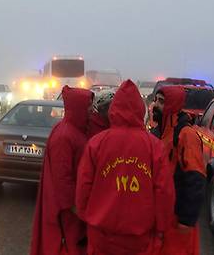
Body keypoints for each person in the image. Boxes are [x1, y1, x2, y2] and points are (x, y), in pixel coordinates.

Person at [75, 80, 174, 255]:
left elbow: (84, 187)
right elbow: (163, 191)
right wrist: (162, 227)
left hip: (101, 237)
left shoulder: (96, 144)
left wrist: (87, 216)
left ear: (114, 109)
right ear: (140, 109)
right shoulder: (154, 147)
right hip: (140, 240)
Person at [30, 86, 94, 255]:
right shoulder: (64, 135)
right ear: (78, 107)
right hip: (66, 213)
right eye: (88, 106)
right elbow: (62, 180)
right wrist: (78, 210)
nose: (91, 110)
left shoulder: (74, 129)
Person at [151, 86, 205, 255]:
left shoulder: (186, 135)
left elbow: (196, 177)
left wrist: (186, 219)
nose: (155, 105)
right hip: (161, 217)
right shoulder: (157, 132)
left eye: (161, 101)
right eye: (155, 100)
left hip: (177, 219)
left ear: (172, 105)